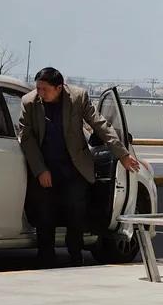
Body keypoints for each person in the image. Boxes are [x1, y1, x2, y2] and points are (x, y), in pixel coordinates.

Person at [17, 67, 141, 267]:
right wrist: (40, 170)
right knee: (44, 214)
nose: (39, 93)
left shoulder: (78, 97)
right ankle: (46, 256)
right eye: (37, 88)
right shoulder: (29, 102)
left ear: (59, 88)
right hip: (46, 168)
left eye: (44, 89)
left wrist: (123, 154)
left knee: (77, 212)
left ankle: (75, 253)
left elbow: (100, 125)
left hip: (74, 168)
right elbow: (27, 138)